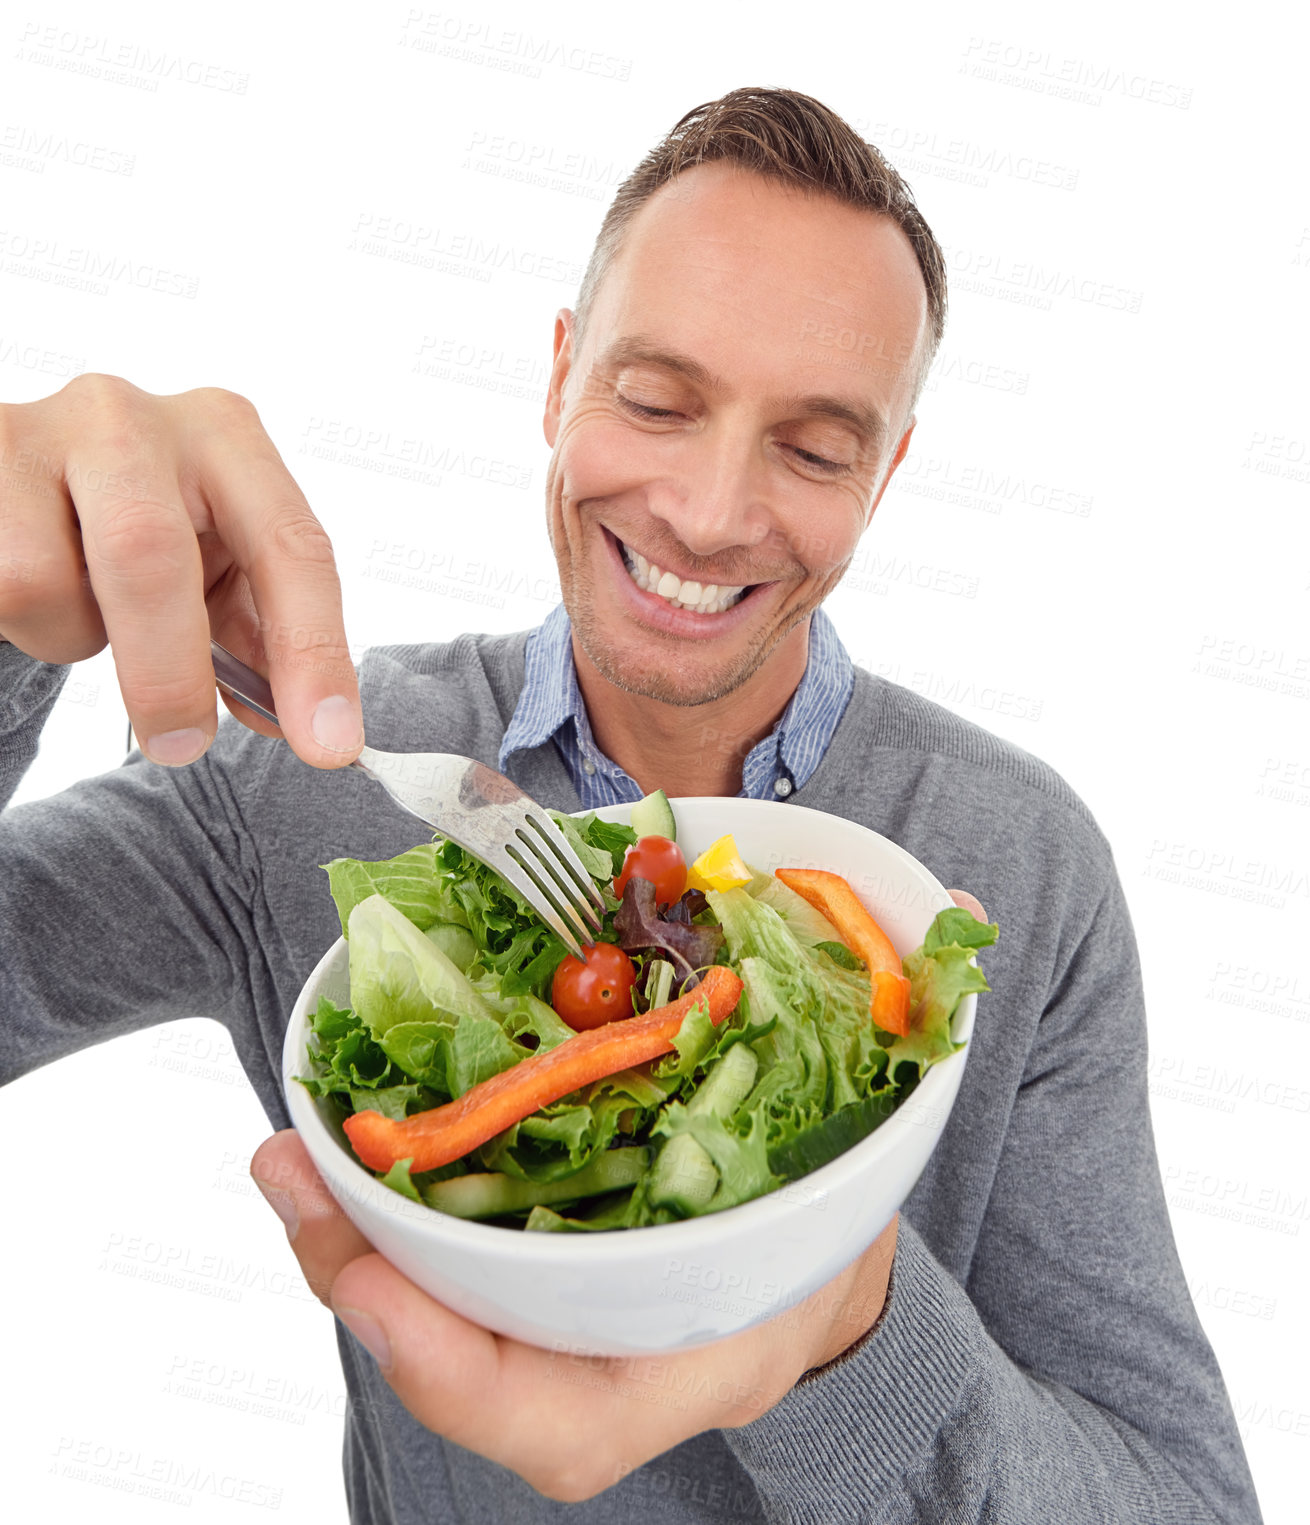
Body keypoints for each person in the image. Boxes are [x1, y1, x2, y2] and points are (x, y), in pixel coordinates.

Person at [0, 87, 1261, 1523]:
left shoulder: (1013, 863)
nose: (712, 512)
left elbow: (1180, 1497)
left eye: (812, 447)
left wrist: (833, 1326)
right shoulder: (302, 777)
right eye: (655, 401)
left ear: (888, 471)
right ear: (558, 377)